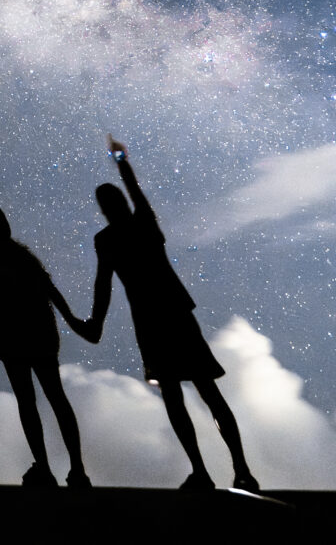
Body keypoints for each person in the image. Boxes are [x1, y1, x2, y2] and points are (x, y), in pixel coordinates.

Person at [78, 137, 260, 492]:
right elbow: (135, 189)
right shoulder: (144, 221)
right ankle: (241, 470)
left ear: (102, 209)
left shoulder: (107, 240)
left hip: (149, 321)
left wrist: (95, 322)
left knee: (174, 397)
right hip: (176, 313)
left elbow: (103, 285)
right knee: (208, 392)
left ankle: (202, 473)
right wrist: (121, 160)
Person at [0, 201, 92, 489]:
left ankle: (44, 468)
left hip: (10, 334)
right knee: (57, 398)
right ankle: (77, 469)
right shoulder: (21, 254)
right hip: (41, 331)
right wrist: (70, 318)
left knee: (26, 401)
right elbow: (49, 288)